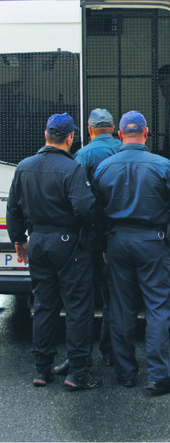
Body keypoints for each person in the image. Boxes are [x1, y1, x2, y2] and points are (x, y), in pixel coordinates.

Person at [93, 111, 170, 395]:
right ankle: (159, 377)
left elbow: (95, 210)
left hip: (117, 242)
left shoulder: (104, 167)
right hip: (153, 242)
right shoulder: (162, 165)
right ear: (146, 133)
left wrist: (102, 246)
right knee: (157, 310)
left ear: (120, 135)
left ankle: (125, 374)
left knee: (121, 309)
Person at [6, 113, 101, 390]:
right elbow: (84, 208)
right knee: (78, 307)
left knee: (44, 306)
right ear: (70, 137)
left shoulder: (24, 167)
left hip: (37, 242)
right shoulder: (72, 169)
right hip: (68, 243)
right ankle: (77, 371)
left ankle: (42, 369)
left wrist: (19, 240)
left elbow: (13, 208)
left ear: (46, 134)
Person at [52, 108, 122, 376]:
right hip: (119, 235)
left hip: (90, 238)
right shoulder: (125, 149)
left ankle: (79, 357)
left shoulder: (82, 155)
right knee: (115, 297)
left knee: (81, 300)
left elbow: (77, 201)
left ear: (90, 130)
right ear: (114, 128)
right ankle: (111, 352)